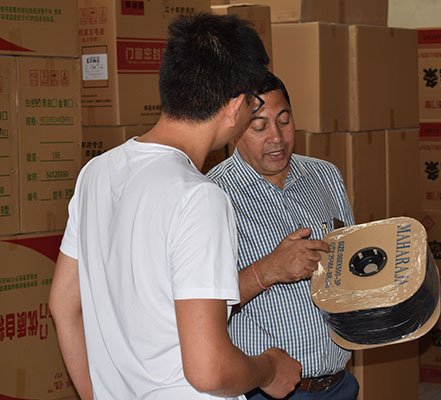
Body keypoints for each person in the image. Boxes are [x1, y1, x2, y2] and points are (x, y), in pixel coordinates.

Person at [48, 13, 301, 400]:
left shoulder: (96, 173)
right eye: (253, 103)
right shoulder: (199, 198)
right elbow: (209, 370)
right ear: (234, 106)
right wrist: (268, 368)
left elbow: (64, 306)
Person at [207, 72, 359, 400]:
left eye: (284, 121)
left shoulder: (325, 175)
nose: (276, 137)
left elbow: (349, 267)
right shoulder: (213, 196)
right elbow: (201, 308)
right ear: (234, 129)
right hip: (265, 392)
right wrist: (270, 269)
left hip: (339, 384)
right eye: (259, 126)